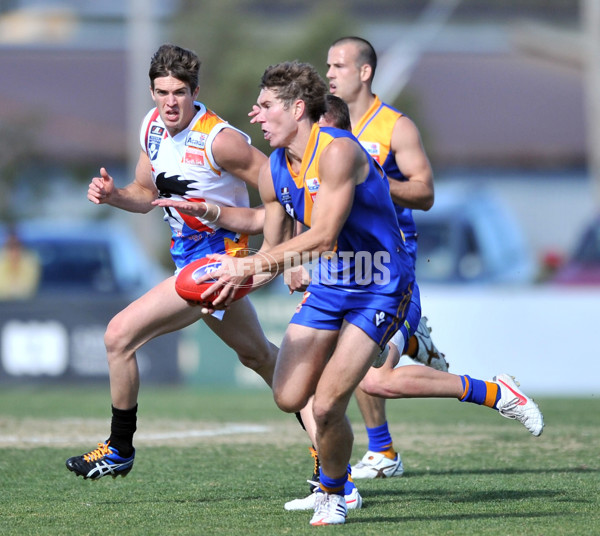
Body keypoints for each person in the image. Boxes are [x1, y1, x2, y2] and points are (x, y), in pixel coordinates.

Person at [200, 60, 415, 526]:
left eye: (264, 106)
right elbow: (277, 251)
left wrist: (253, 263)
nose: (254, 116)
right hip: (332, 283)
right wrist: (228, 284)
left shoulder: (338, 151)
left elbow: (321, 236)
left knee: (327, 403)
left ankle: (336, 493)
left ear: (298, 109)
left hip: (379, 283)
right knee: (288, 395)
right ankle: (361, 386)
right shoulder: (273, 169)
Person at [64, 43, 279, 480]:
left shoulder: (221, 141)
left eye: (179, 92)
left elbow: (281, 185)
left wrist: (279, 254)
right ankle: (329, 445)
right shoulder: (152, 128)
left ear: (195, 91)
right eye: (161, 92)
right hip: (190, 261)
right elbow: (146, 194)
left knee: (118, 337)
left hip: (219, 263)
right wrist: (114, 196)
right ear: (152, 92)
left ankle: (119, 447)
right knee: (260, 357)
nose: (170, 102)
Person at [0, 225, 41, 300]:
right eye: (10, 246)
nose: (14, 250)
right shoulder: (1, 262)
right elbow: (3, 290)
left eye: (16, 245)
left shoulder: (30, 262)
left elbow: (27, 288)